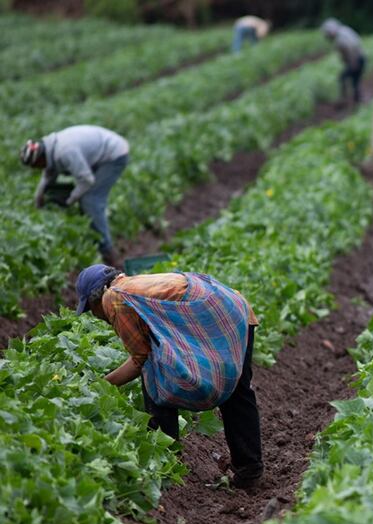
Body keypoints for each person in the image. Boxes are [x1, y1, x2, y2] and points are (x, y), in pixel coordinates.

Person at [74, 264, 264, 488]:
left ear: (97, 296)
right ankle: (249, 472)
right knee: (238, 391)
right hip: (235, 307)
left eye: (90, 309)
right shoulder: (133, 285)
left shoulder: (113, 299)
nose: (96, 316)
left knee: (155, 377)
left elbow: (139, 360)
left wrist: (102, 385)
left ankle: (166, 458)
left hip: (215, 315)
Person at [20, 125, 129, 266]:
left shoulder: (65, 152)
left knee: (91, 200)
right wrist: (38, 198)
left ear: (40, 158)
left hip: (115, 154)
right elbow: (48, 175)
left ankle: (108, 253)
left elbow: (87, 180)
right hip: (100, 152)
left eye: (36, 166)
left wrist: (70, 200)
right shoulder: (50, 148)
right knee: (80, 196)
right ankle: (96, 237)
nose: (37, 169)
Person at [321, 18, 365, 106]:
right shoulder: (344, 30)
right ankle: (357, 101)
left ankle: (345, 99)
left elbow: (350, 48)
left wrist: (353, 62)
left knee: (343, 77)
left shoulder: (340, 38)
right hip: (360, 58)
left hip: (356, 59)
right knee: (354, 80)